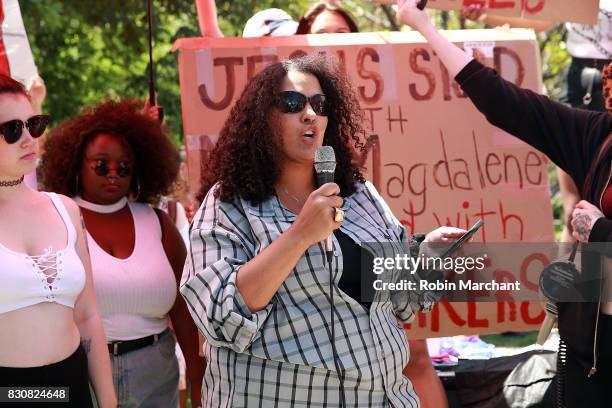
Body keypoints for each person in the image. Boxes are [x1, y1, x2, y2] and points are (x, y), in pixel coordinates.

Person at [180, 53, 465, 407]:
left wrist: (426, 257)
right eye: (292, 102)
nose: (310, 113)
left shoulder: (359, 194)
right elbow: (219, 317)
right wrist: (299, 235)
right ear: (261, 118)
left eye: (320, 103)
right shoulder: (229, 204)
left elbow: (400, 303)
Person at [394, 1, 611, 406]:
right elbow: (503, 101)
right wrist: (423, 25)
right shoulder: (599, 137)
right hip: (592, 360)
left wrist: (599, 231)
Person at [41, 99, 205, 408]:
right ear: (77, 164)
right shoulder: (57, 220)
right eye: (101, 165)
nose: (113, 174)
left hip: (156, 371)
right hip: (82, 370)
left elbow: (185, 307)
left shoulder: (158, 222)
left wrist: (198, 376)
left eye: (124, 167)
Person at [0, 75, 116, 406]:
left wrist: (108, 403)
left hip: (73, 385)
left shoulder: (64, 209)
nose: (28, 139)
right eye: (12, 130)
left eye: (33, 124)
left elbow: (88, 316)